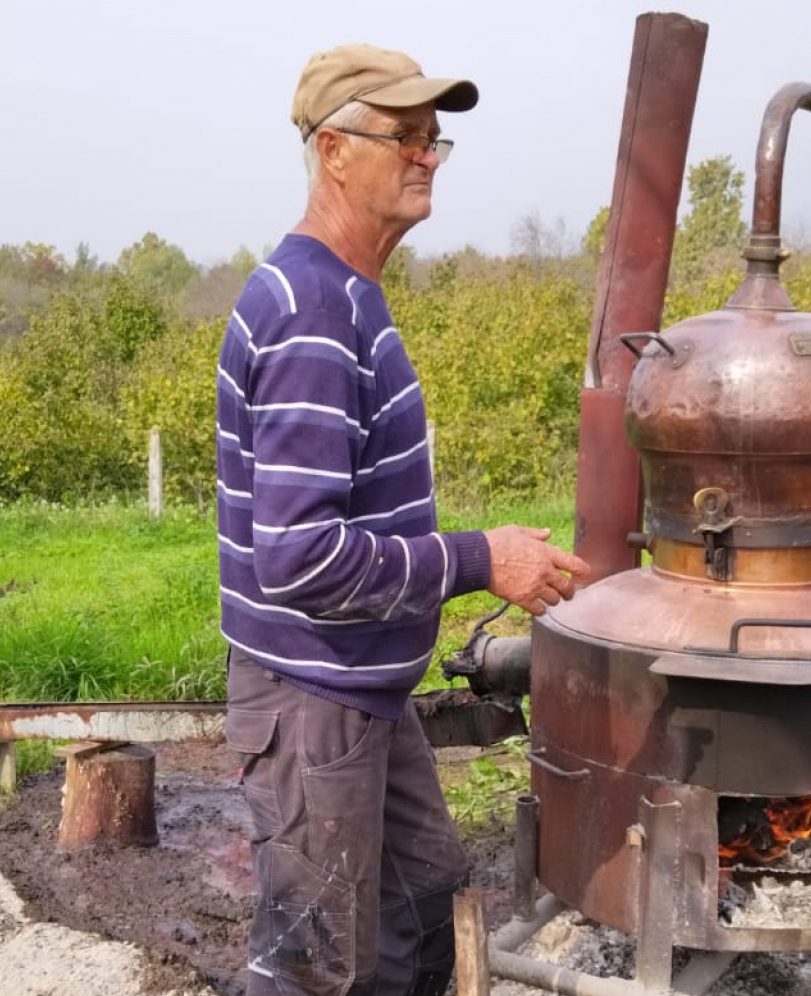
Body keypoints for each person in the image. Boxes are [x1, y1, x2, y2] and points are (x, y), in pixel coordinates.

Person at [215, 42, 589, 996]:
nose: (426, 156)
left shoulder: (347, 297)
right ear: (333, 150)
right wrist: (477, 559)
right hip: (312, 699)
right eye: (403, 136)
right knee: (314, 964)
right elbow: (298, 559)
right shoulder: (312, 317)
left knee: (421, 909)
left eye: (435, 139)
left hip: (360, 690)